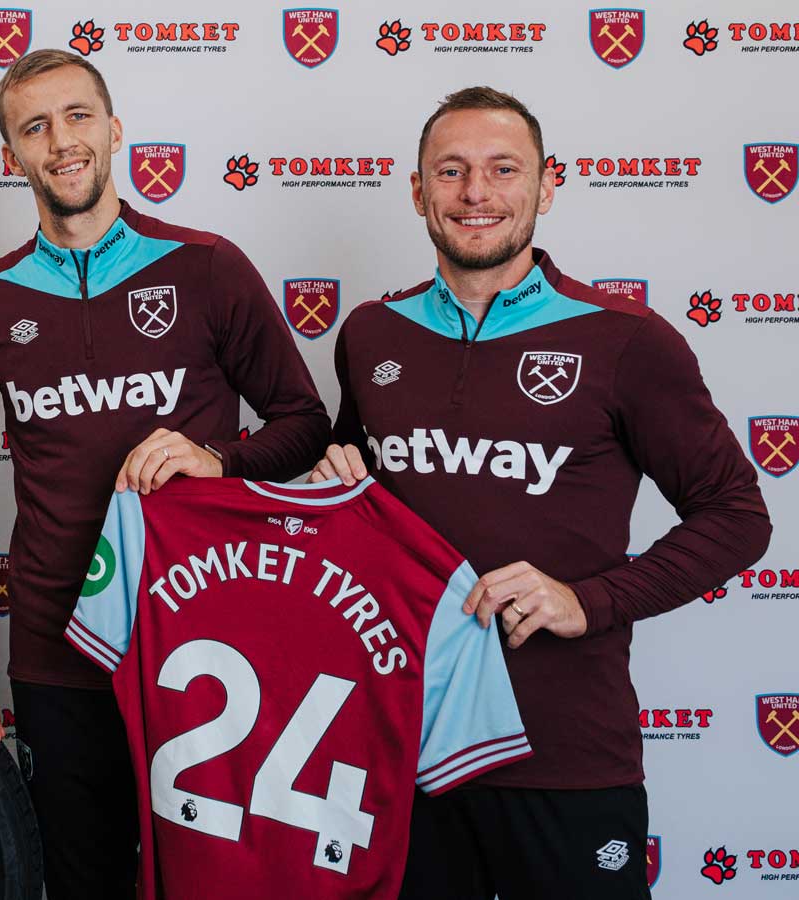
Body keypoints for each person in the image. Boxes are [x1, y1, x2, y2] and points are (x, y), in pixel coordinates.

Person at [311, 86, 771, 899]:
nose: (476, 193)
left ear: (547, 184)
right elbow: (359, 498)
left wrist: (587, 600)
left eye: (501, 169)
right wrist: (331, 483)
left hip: (565, 754)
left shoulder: (626, 339)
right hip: (402, 752)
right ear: (417, 191)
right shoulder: (371, 334)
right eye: (450, 171)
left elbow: (737, 515)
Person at [0, 49, 330, 897]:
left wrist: (219, 460)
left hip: (204, 650)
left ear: (115, 130)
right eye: (35, 127)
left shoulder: (205, 266)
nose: (61, 141)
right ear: (11, 156)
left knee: (215, 882)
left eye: (78, 116)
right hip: (58, 659)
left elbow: (304, 425)